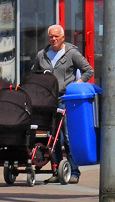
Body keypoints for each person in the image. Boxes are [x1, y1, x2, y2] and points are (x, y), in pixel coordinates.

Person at [35, 24, 94, 184]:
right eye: (51, 37)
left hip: (66, 100)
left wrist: (76, 85)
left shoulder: (71, 53)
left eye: (56, 36)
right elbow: (35, 74)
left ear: (62, 38)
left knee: (68, 137)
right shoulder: (42, 55)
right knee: (53, 138)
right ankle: (57, 171)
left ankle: (74, 171)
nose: (53, 39)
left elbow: (88, 70)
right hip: (49, 101)